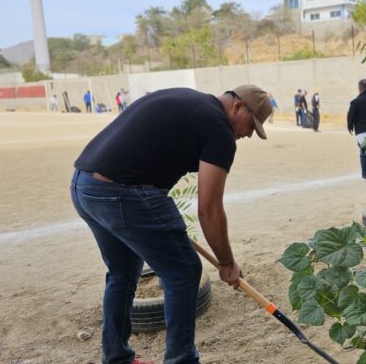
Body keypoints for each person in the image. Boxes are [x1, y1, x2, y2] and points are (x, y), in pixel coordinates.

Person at [71, 84, 272, 364]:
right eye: (252, 125)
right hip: (122, 193)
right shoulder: (219, 130)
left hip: (84, 185)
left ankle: (116, 357)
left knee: (123, 271)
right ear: (238, 107)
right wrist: (226, 263)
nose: (249, 134)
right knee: (184, 270)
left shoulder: (187, 97)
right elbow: (209, 208)